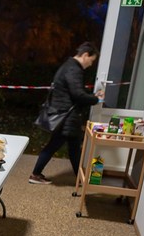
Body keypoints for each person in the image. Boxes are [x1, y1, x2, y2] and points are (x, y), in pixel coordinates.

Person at [29, 41, 104, 184]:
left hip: (64, 114)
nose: (91, 64)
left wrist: (92, 96)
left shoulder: (68, 66)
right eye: (91, 60)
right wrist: (96, 99)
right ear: (85, 55)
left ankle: (79, 178)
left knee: (71, 147)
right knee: (61, 147)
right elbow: (78, 95)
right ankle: (36, 174)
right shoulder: (74, 69)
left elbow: (75, 92)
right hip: (66, 116)